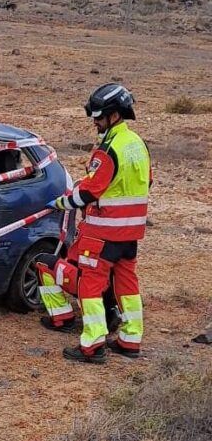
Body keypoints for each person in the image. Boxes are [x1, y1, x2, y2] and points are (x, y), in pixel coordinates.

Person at [36, 83, 151, 363]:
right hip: (130, 235)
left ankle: (92, 345)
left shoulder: (108, 149)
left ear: (113, 115)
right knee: (127, 285)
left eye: (98, 117)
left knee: (89, 286)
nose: (95, 122)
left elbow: (89, 192)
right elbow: (144, 183)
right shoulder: (137, 144)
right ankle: (130, 339)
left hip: (101, 235)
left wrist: (61, 203)